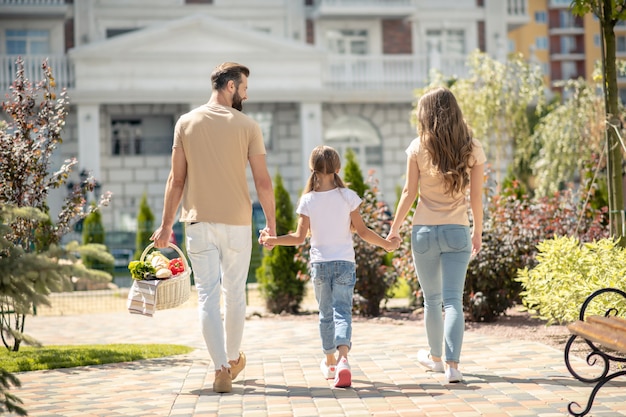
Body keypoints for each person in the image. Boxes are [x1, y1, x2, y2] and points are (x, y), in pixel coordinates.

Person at [151, 62, 276, 394]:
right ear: (231, 86)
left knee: (206, 296)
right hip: (237, 222)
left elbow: (176, 180)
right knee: (234, 294)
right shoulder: (248, 126)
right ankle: (233, 360)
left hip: (198, 221)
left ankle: (221, 367)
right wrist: (272, 225)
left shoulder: (186, 123)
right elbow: (263, 182)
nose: (246, 95)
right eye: (244, 89)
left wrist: (165, 225)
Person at [259, 145, 400, 388]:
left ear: (311, 168)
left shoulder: (308, 200)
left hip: (320, 265)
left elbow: (298, 238)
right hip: (345, 263)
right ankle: (344, 359)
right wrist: (387, 245)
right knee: (342, 312)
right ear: (338, 168)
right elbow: (363, 231)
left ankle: (330, 362)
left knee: (325, 314)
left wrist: (273, 240)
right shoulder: (348, 196)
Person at [387, 86, 485, 384]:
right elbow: (477, 198)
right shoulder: (472, 147)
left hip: (424, 231)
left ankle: (436, 359)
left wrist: (394, 229)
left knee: (432, 300)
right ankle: (453, 367)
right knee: (454, 300)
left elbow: (408, 192)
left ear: (425, 114)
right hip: (457, 230)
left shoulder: (418, 147)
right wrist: (477, 232)